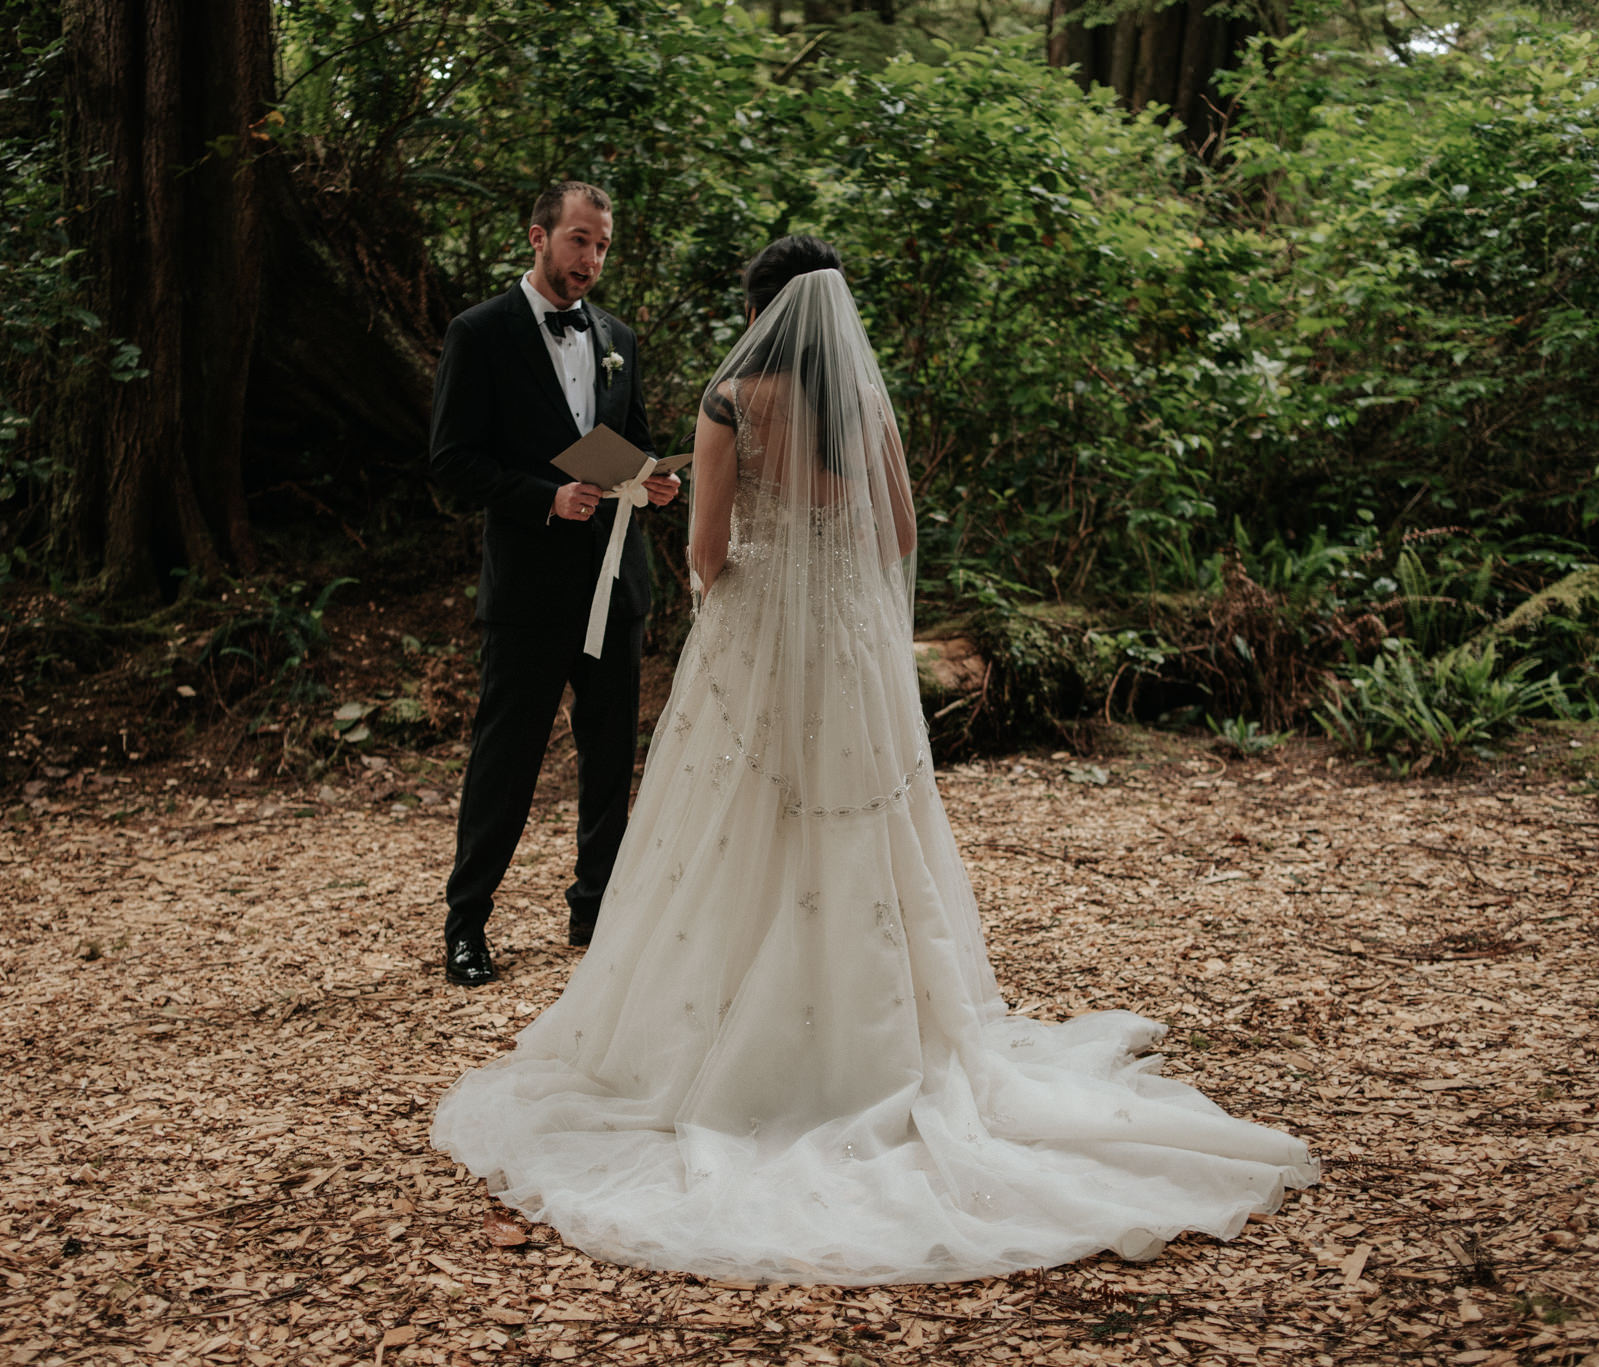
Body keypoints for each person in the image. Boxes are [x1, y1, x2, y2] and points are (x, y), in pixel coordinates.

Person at [429, 237, 1315, 1283]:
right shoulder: (861, 400)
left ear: (759, 310)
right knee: (861, 822)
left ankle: (730, 1038)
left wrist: (727, 562)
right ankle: (887, 1030)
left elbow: (709, 552)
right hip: (848, 645)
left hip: (760, 639)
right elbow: (893, 529)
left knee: (738, 821)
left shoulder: (729, 399)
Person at [427, 182, 679, 987]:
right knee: (507, 759)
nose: (592, 260)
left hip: (615, 583)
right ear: (536, 236)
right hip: (529, 590)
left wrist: (654, 481)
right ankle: (466, 924)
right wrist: (544, 497)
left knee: (610, 758)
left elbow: (629, 441)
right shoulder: (479, 334)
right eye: (579, 241)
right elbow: (450, 465)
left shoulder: (618, 338)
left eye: (602, 246)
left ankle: (595, 910)